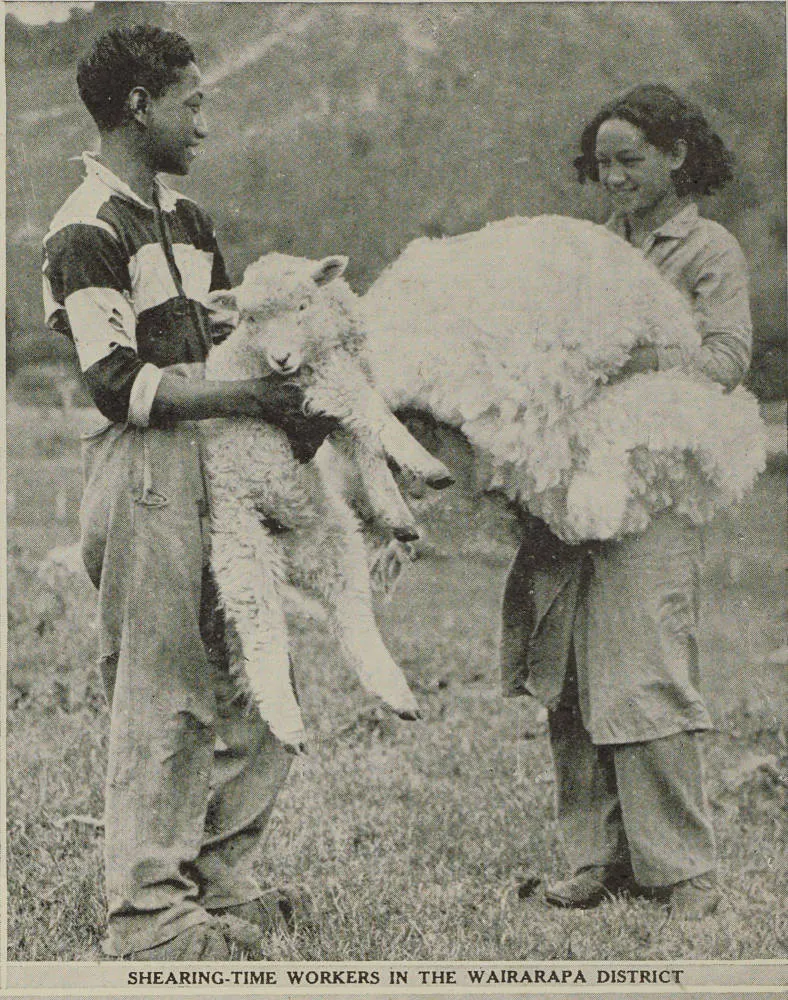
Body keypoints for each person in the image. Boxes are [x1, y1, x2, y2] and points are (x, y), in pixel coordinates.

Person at [42, 25, 337, 960]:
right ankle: (150, 918)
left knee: (262, 673)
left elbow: (224, 347)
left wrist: (299, 406)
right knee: (165, 688)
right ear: (141, 106)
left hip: (219, 463)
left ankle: (216, 882)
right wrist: (252, 395)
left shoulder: (192, 222)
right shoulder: (84, 228)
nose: (204, 123)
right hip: (143, 475)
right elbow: (117, 385)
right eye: (192, 103)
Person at [500, 84, 752, 918]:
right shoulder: (590, 252)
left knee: (643, 666)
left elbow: (726, 358)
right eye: (601, 165)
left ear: (677, 156)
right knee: (568, 672)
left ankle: (683, 870)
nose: (612, 179)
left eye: (630, 161)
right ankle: (594, 858)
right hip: (573, 485)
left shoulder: (705, 248)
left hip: (653, 487)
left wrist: (628, 363)